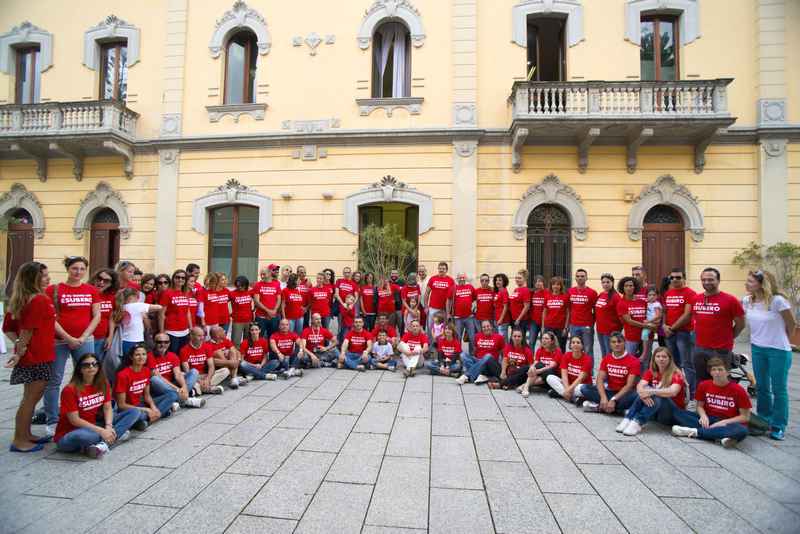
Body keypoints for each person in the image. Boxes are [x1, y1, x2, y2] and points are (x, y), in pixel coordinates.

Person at [39, 256, 101, 436]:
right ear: (68, 269)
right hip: (59, 340)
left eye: (82, 269)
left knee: (87, 377)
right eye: (75, 268)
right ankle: (52, 419)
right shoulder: (54, 290)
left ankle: (85, 414)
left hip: (84, 339)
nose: (78, 272)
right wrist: (68, 337)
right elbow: (50, 317)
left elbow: (96, 315)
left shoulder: (90, 290)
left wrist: (83, 336)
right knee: (54, 380)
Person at [5, 262, 55, 452]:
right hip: (38, 355)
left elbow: (8, 328)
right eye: (43, 275)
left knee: (30, 397)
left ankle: (25, 434)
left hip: (35, 354)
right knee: (31, 398)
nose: (48, 278)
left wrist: (18, 345)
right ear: (33, 278)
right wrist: (21, 348)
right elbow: (28, 329)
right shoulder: (39, 300)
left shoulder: (21, 298)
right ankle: (20, 440)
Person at [743, 269, 796, 440]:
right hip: (758, 348)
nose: (746, 283)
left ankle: (778, 425)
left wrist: (783, 341)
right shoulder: (747, 301)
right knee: (762, 387)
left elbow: (791, 324)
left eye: (750, 281)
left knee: (779, 388)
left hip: (778, 350)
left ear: (761, 284)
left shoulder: (777, 301)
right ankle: (764, 420)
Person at [54, 353, 139, 458]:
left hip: (96, 425)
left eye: (94, 364)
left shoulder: (103, 383)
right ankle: (115, 435)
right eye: (86, 365)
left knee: (135, 412)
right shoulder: (70, 390)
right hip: (72, 433)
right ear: (79, 369)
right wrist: (101, 431)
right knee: (83, 436)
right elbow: (74, 420)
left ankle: (102, 445)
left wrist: (108, 426)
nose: (91, 367)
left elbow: (107, 408)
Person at [671, 356, 751, 448]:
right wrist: (703, 416)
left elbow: (745, 417)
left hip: (728, 422)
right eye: (714, 370)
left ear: (727, 372)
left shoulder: (738, 390)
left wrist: (723, 422)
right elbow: (699, 406)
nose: (717, 373)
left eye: (720, 370)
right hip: (709, 419)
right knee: (678, 413)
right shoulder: (704, 385)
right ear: (710, 372)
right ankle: (720, 436)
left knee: (742, 431)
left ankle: (695, 432)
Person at [691, 267, 746, 384]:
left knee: (720, 381)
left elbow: (741, 324)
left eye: (710, 279)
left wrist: (729, 337)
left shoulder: (730, 300)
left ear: (718, 281)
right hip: (699, 348)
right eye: (703, 280)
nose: (706, 282)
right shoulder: (696, 299)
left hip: (720, 350)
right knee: (701, 381)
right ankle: (701, 402)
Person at [616, 346, 686, 436]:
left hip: (672, 414)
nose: (661, 359)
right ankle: (628, 419)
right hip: (656, 411)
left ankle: (637, 422)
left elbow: (673, 391)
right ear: (654, 358)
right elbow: (640, 386)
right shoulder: (652, 371)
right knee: (644, 392)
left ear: (670, 359)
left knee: (656, 394)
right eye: (658, 356)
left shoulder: (676, 374)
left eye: (664, 357)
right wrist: (643, 395)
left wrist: (650, 392)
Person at [115, 344, 178, 431]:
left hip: (141, 404)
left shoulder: (146, 370)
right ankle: (154, 416)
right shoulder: (123, 375)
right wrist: (146, 409)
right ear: (131, 357)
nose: (141, 357)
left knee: (173, 395)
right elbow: (121, 405)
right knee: (139, 414)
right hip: (129, 409)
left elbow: (147, 396)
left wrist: (153, 407)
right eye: (137, 355)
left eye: (144, 354)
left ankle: (146, 420)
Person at [579, 332, 640, 414]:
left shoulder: (634, 361)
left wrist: (614, 399)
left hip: (624, 395)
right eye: (613, 342)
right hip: (609, 392)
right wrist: (603, 398)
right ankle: (618, 410)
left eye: (619, 342)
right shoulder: (607, 358)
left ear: (624, 343)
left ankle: (601, 407)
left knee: (637, 395)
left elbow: (629, 385)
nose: (617, 344)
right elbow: (599, 379)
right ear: (610, 344)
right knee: (584, 388)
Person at [662, 268, 696, 397]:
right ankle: (676, 390)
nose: (675, 280)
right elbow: (665, 311)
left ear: (684, 279)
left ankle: (692, 395)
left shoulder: (690, 293)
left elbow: (687, 315)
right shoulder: (668, 293)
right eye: (672, 278)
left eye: (678, 277)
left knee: (687, 364)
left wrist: (672, 328)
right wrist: (664, 325)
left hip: (684, 333)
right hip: (669, 333)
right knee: (672, 363)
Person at [148, 333, 205, 408]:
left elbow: (178, 374)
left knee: (194, 371)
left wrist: (184, 387)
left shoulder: (172, 355)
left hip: (172, 384)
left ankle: (180, 398)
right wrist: (177, 389)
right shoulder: (149, 356)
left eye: (166, 342)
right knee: (154, 379)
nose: (163, 344)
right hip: (159, 387)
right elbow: (159, 377)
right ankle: (186, 399)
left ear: (169, 343)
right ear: (154, 343)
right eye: (159, 342)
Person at [180, 327, 227, 394]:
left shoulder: (207, 347)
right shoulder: (184, 350)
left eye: (203, 335)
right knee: (183, 374)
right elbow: (187, 370)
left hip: (205, 375)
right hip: (193, 377)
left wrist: (208, 379)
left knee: (225, 371)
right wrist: (198, 381)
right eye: (199, 336)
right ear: (191, 336)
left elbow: (211, 366)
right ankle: (208, 388)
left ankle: (198, 389)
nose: (202, 338)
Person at [546, 334, 593, 402]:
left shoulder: (587, 359)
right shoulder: (566, 355)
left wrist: (568, 390)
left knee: (582, 389)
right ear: (570, 345)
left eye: (578, 342)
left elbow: (580, 378)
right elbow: (564, 375)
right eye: (573, 342)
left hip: (580, 385)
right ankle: (572, 398)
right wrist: (567, 388)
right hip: (568, 384)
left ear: (582, 345)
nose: (575, 344)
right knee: (550, 377)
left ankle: (561, 393)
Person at [118, 288, 163, 357]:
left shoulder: (122, 307)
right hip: (136, 339)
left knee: (127, 360)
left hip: (124, 340)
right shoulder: (138, 305)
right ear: (132, 297)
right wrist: (145, 311)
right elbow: (159, 307)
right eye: (138, 297)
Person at [457, 320, 505, 385]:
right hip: (479, 361)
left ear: (491, 327)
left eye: (488, 326)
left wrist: (503, 370)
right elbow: (475, 351)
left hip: (490, 364)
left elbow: (503, 354)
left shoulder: (499, 337)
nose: (486, 328)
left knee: (488, 356)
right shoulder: (477, 336)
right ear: (481, 328)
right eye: (484, 327)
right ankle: (481, 375)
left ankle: (467, 376)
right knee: (463, 355)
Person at [159, 270, 193, 355]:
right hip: (171, 331)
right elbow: (161, 314)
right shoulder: (167, 293)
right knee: (173, 355)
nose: (180, 279)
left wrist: (191, 328)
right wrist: (162, 332)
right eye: (177, 277)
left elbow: (187, 312)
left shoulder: (186, 293)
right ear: (173, 279)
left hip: (185, 331)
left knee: (183, 355)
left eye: (183, 278)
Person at [520, 331, 563, 396]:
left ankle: (525, 385)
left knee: (547, 371)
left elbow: (552, 366)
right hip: (540, 377)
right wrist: (532, 367)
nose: (544, 340)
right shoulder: (540, 350)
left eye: (546, 339)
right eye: (542, 338)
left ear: (552, 341)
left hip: (552, 377)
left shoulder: (557, 351)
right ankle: (526, 387)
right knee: (536, 365)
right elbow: (536, 362)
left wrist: (537, 371)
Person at [568, 268, 597, 360]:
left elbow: (596, 310)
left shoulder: (592, 293)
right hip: (573, 325)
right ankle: (577, 369)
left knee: (588, 350)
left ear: (586, 278)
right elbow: (568, 309)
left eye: (582, 276)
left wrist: (591, 323)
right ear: (575, 278)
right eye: (578, 276)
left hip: (587, 326)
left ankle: (589, 373)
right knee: (575, 349)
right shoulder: (570, 291)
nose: (580, 278)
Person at [616, 276, 648, 358]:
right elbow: (629, 321)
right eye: (626, 286)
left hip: (646, 337)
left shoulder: (642, 301)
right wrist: (646, 325)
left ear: (635, 287)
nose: (629, 288)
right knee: (630, 360)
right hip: (632, 337)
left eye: (631, 285)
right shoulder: (621, 303)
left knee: (645, 361)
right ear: (622, 288)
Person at [91, 268, 118, 361]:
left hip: (101, 338)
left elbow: (111, 318)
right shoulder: (87, 293)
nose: (101, 282)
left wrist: (110, 337)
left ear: (111, 284)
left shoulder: (111, 297)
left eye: (106, 281)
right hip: (86, 338)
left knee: (98, 366)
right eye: (99, 278)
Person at [424, 262, 455, 340]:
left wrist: (450, 312)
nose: (441, 270)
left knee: (443, 329)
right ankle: (429, 346)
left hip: (445, 309)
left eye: (443, 269)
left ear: (446, 270)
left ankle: (440, 346)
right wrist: (426, 306)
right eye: (440, 268)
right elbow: (427, 293)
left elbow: (452, 297)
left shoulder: (451, 280)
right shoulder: (433, 279)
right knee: (430, 327)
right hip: (432, 308)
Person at [594, 273, 622, 358]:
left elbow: (621, 314)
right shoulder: (601, 295)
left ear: (612, 283)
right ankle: (605, 370)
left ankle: (610, 370)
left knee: (609, 354)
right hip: (600, 330)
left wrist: (618, 330)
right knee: (604, 353)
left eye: (608, 282)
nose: (605, 284)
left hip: (610, 331)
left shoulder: (616, 297)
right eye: (603, 282)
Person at [253, 264, 282, 341]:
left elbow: (279, 299)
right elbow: (257, 301)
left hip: (273, 316)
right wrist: (268, 311)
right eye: (261, 274)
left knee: (273, 338)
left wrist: (275, 310)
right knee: (259, 337)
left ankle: (272, 353)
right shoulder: (257, 285)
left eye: (264, 274)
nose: (262, 276)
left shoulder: (276, 284)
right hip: (261, 317)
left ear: (269, 273)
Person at [541, 276, 569, 352]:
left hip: (560, 327)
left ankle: (561, 363)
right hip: (548, 326)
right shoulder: (547, 296)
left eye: (558, 284)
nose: (555, 286)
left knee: (561, 348)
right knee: (547, 347)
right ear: (551, 286)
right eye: (553, 284)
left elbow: (568, 313)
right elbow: (544, 312)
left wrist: (566, 328)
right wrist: (543, 327)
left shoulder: (565, 297)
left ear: (561, 286)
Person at [640, 287, 663, 370]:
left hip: (653, 322)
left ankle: (644, 352)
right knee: (644, 335)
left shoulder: (656, 304)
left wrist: (649, 321)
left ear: (657, 296)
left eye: (654, 295)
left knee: (644, 334)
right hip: (649, 322)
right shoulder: (648, 303)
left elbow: (658, 316)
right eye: (650, 295)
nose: (652, 296)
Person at [452, 273, 476, 348]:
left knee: (472, 337)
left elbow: (475, 298)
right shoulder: (454, 288)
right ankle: (458, 356)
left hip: (469, 317)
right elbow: (449, 301)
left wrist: (474, 307)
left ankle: (472, 355)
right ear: (457, 279)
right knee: (457, 338)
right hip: (457, 318)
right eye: (460, 278)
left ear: (465, 278)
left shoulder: (470, 287)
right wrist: (448, 314)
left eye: (463, 277)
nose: (462, 279)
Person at [229, 276, 254, 346]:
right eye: (237, 285)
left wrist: (254, 309)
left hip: (249, 320)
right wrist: (229, 313)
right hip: (237, 321)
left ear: (246, 285)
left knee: (247, 342)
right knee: (235, 342)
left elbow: (258, 299)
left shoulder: (250, 292)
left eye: (241, 285)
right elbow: (222, 303)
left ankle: (245, 356)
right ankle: (236, 356)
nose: (239, 287)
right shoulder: (232, 293)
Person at [508, 270, 531, 341]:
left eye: (520, 278)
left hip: (521, 321)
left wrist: (518, 319)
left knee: (520, 341)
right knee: (514, 340)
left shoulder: (525, 290)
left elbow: (526, 306)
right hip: (514, 319)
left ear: (525, 279)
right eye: (516, 278)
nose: (517, 279)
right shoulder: (516, 289)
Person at [529, 275, 546, 349]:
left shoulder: (547, 292)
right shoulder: (532, 293)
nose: (538, 283)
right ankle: (531, 360)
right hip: (534, 322)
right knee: (531, 342)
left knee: (544, 343)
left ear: (543, 282)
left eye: (539, 281)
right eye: (536, 282)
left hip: (544, 322)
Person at [493, 273, 510, 340]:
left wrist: (501, 319)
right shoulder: (498, 291)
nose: (497, 282)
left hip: (503, 320)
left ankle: (505, 350)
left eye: (500, 280)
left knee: (503, 339)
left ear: (504, 282)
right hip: (497, 318)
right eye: (496, 280)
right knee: (498, 338)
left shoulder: (504, 291)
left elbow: (505, 307)